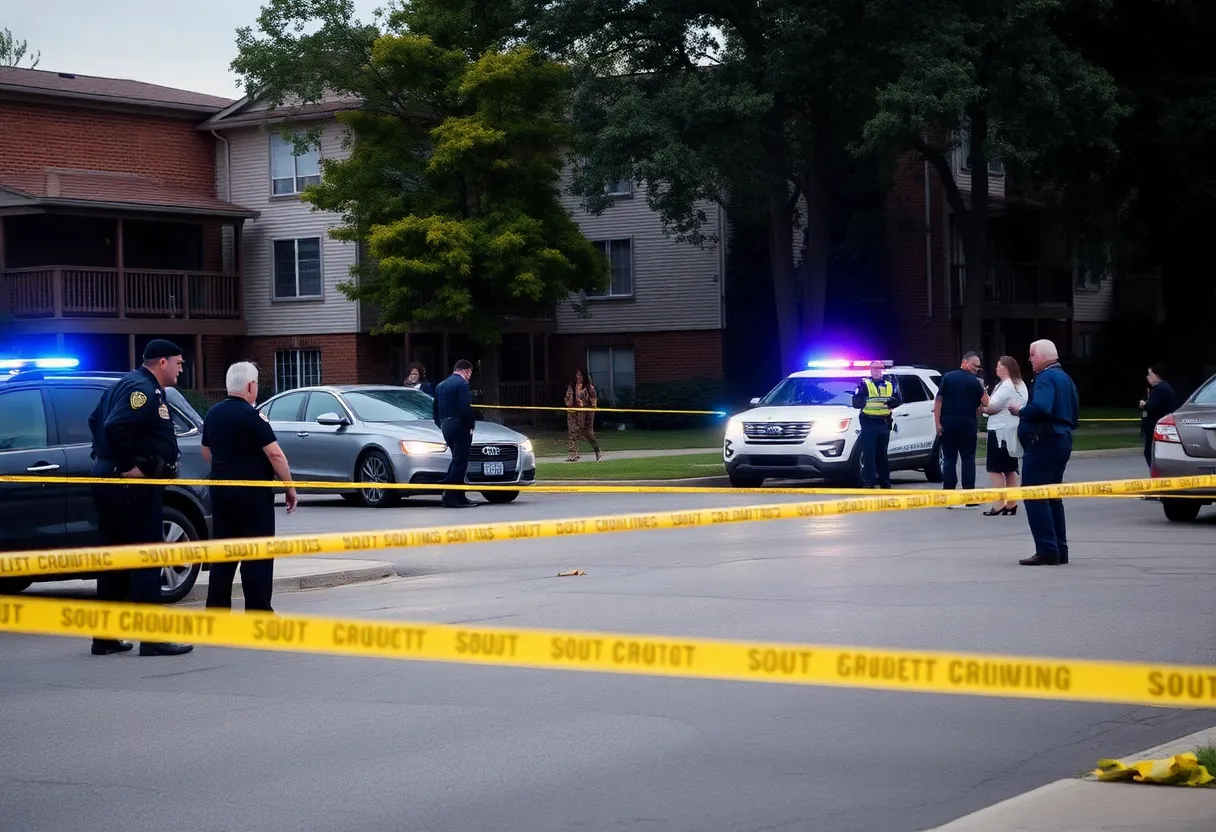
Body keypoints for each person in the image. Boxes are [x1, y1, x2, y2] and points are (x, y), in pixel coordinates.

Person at [87, 339, 193, 657]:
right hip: (130, 486)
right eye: (178, 362)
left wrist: (106, 457)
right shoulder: (141, 390)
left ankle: (104, 637)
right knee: (148, 557)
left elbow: (95, 421)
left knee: (114, 559)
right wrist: (127, 465)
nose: (181, 368)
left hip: (111, 482)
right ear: (162, 362)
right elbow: (112, 425)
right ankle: (152, 637)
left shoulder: (126, 384)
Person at [201, 362, 298, 612]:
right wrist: (289, 487)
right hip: (252, 494)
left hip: (221, 491)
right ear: (250, 385)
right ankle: (258, 612)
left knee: (224, 553)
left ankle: (216, 612)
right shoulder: (253, 416)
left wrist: (227, 468)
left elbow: (206, 452)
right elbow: (275, 455)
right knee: (257, 554)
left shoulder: (213, 414)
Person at [1010, 339, 1079, 566]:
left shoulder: (1046, 378)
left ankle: (1047, 549)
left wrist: (1021, 410)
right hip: (1062, 439)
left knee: (1034, 494)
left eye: (1032, 355)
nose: (1029, 359)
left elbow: (1041, 408)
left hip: (1044, 442)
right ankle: (1060, 549)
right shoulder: (1065, 378)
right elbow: (1074, 413)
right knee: (1052, 496)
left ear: (1043, 356)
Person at [933, 350, 990, 506]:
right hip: (967, 424)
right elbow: (986, 402)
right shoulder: (975, 382)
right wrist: (982, 388)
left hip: (948, 423)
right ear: (965, 362)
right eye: (974, 365)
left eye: (978, 367)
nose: (976, 369)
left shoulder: (948, 377)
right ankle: (969, 497)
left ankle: (948, 496)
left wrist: (938, 423)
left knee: (949, 459)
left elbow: (938, 402)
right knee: (968, 459)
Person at [980, 356, 1029, 515]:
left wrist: (981, 407)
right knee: (1009, 469)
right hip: (1013, 429)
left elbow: (992, 406)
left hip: (999, 430)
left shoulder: (1007, 386)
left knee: (994, 469)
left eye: (999, 366)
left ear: (1006, 368)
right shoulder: (1020, 384)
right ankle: (1011, 504)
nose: (996, 369)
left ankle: (999, 504)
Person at [433, 359, 478, 508]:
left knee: (456, 459)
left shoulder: (441, 385)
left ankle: (458, 494)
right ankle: (452, 496)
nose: (470, 375)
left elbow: (435, 409)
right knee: (461, 461)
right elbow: (465, 406)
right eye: (470, 372)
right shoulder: (462, 384)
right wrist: (471, 424)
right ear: (466, 371)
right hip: (460, 424)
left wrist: (441, 424)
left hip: (445, 424)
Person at [851, 360, 902, 488]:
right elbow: (856, 402)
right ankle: (870, 482)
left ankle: (885, 481)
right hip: (869, 423)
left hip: (884, 423)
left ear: (883, 370)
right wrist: (864, 400)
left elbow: (898, 399)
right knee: (869, 454)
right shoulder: (864, 384)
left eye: (879, 368)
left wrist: (892, 402)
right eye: (874, 368)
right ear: (871, 370)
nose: (877, 371)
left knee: (882, 454)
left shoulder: (890, 384)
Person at [1139, 363, 1178, 469]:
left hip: (1155, 427)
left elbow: (1151, 406)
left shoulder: (1160, 389)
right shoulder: (1160, 388)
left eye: (1149, 374)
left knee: (1151, 452)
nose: (1147, 377)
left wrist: (1144, 404)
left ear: (1156, 375)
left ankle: (1156, 474)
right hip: (1155, 426)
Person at [564, 368, 603, 462]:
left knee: (589, 434)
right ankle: (573, 454)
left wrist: (588, 409)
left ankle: (598, 452)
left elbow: (594, 402)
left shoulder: (589, 388)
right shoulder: (572, 386)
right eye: (577, 375)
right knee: (572, 433)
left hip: (586, 414)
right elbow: (567, 398)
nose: (579, 377)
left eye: (581, 375)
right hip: (573, 413)